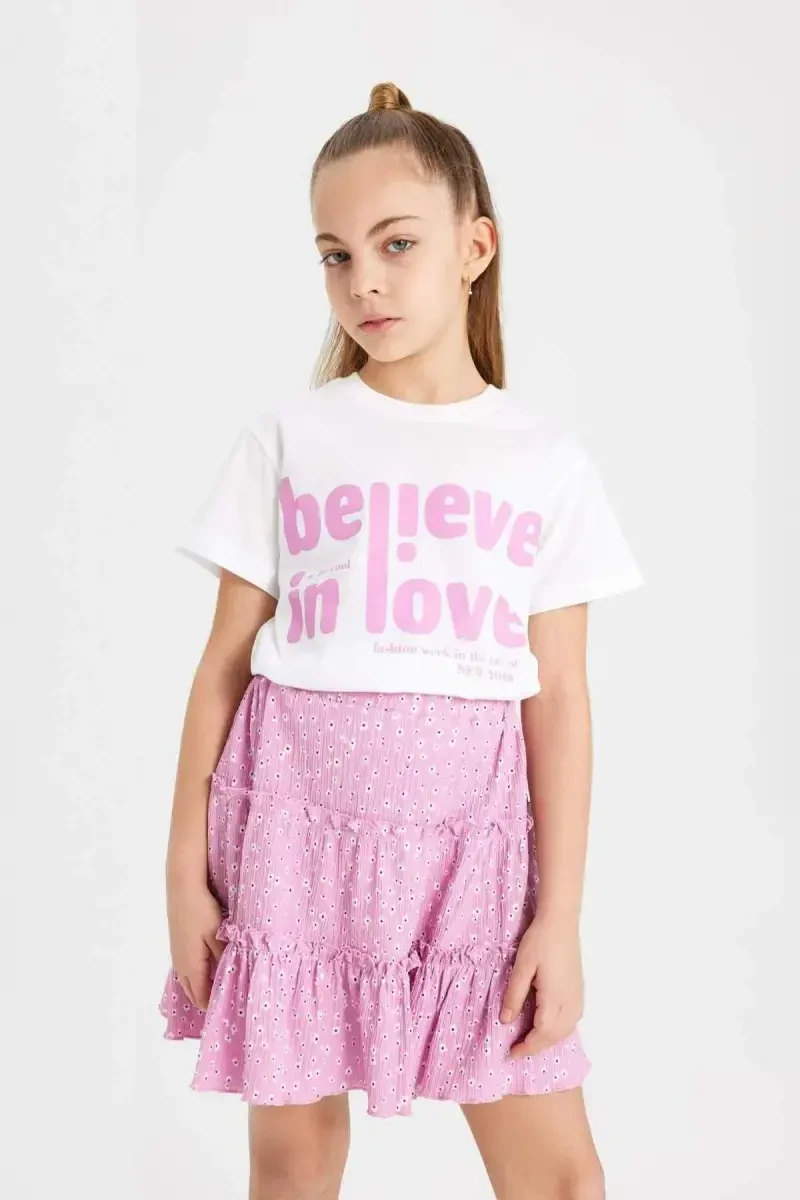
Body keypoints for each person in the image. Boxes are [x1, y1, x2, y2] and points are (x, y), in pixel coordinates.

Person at [158, 80, 644, 1200]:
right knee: (293, 1164)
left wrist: (559, 917)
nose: (362, 281)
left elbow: (560, 699)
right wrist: (185, 872)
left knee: (557, 1175)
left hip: (468, 864)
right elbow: (223, 661)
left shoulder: (543, 461)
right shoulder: (292, 436)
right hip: (289, 847)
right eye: (334, 255)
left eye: (396, 244)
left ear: (475, 248)